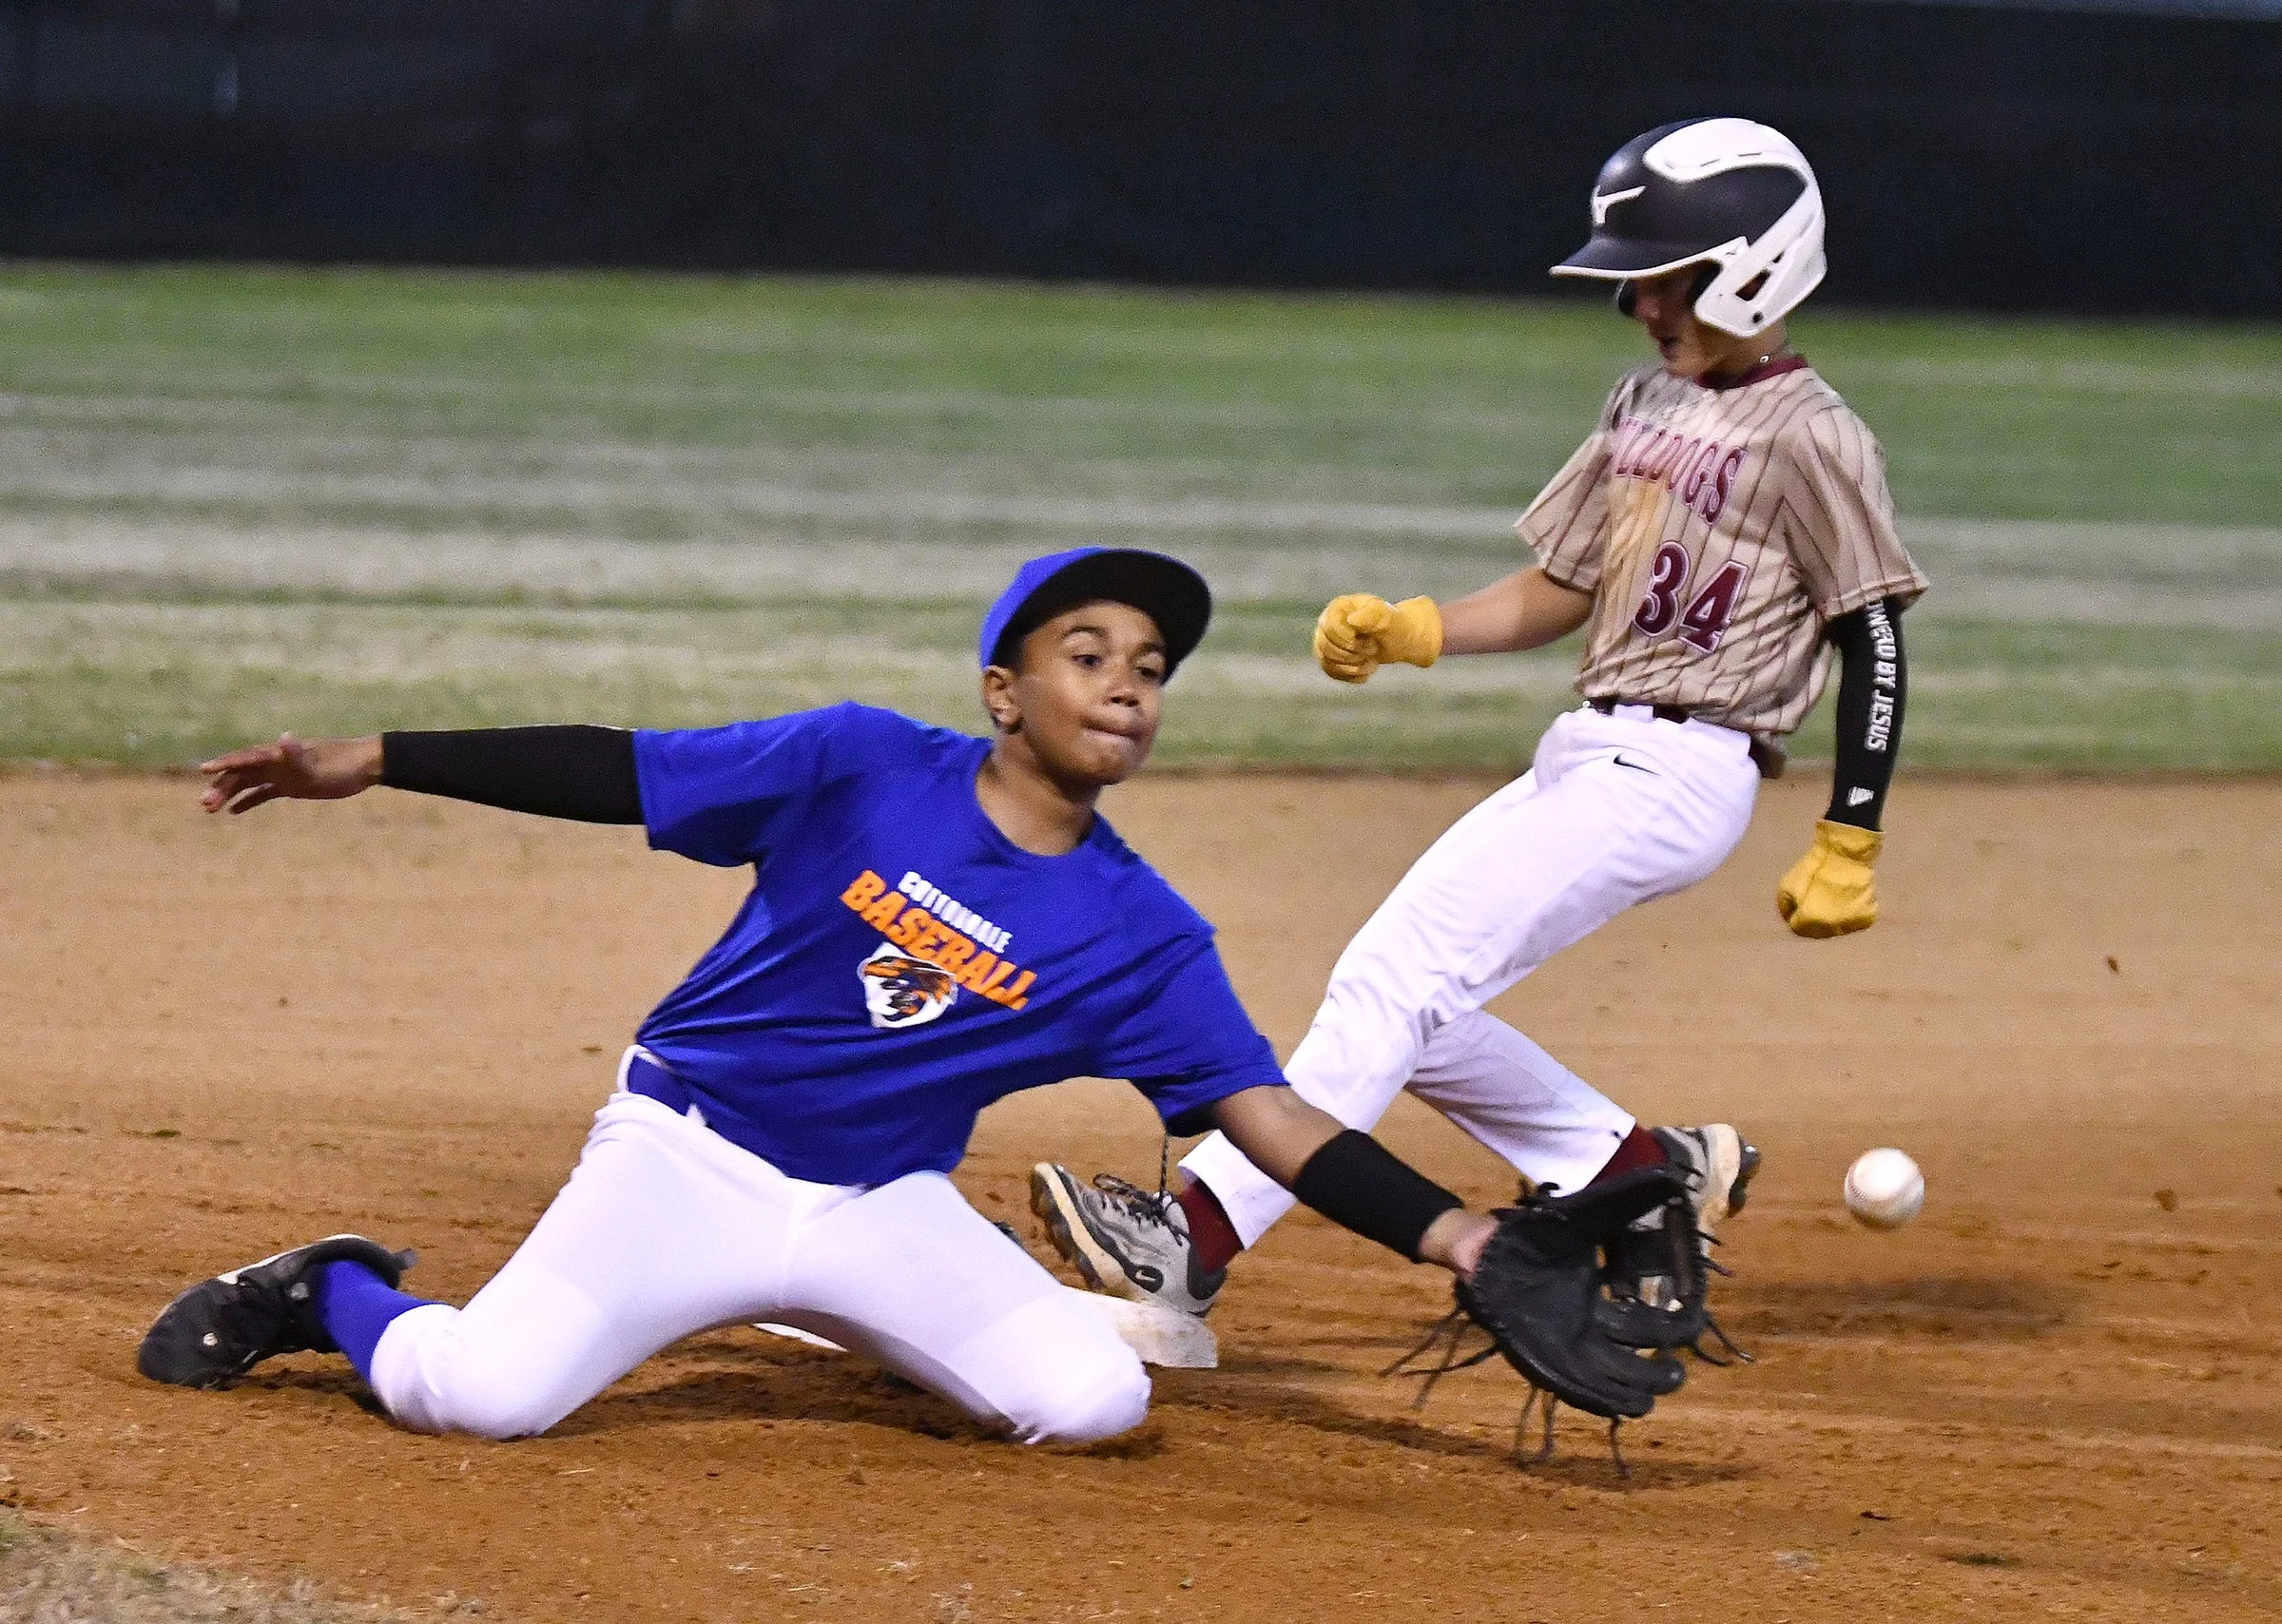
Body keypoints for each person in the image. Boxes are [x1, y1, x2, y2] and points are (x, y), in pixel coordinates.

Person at [137, 547, 1520, 1445]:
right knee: (483, 1396)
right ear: (1004, 689)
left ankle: (863, 1316)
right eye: (1087, 654)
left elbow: (1271, 1117)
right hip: (683, 1156)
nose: (1127, 688)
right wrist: (374, 758)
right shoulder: (860, 764)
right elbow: (626, 770)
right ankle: (334, 1290)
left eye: (1151, 670)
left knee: (1095, 1401)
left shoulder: (1139, 933)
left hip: (876, 1208)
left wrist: (1458, 1237)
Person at [1033, 118, 1929, 1359]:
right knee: (1416, 1007)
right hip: (1590, 749)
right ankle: (1637, 1170)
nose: (1639, 303)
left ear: (1753, 267)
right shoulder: (1644, 403)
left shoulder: (1817, 436)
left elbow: (1872, 635)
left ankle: (1195, 1236)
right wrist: (1419, 631)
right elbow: (1564, 586)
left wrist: (1853, 829)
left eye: (1663, 274)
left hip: (1684, 767)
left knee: (1395, 982)